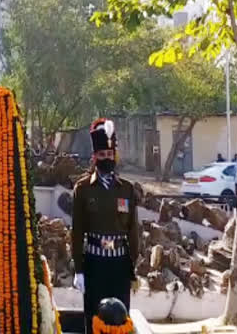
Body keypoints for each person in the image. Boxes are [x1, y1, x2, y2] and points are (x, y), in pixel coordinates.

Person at [72, 118, 140, 332]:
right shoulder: (83, 189)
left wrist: (132, 268)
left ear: (115, 156)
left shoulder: (126, 189)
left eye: (109, 155)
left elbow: (133, 231)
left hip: (119, 264)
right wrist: (79, 270)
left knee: (120, 318)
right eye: (102, 155)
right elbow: (77, 232)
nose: (106, 159)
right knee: (94, 317)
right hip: (94, 264)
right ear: (95, 157)